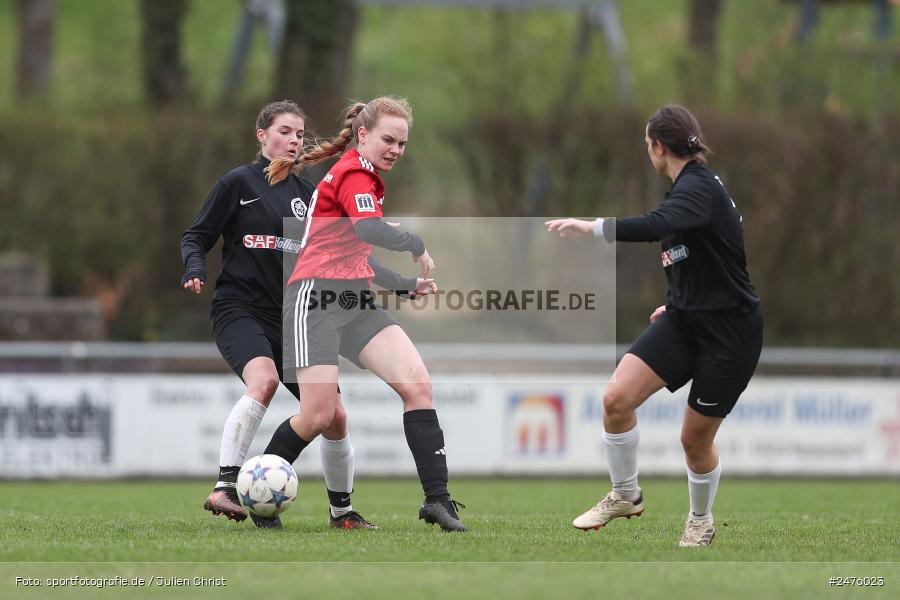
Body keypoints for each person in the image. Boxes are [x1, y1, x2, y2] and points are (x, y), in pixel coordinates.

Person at [181, 100, 436, 530]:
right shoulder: (237, 183)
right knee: (262, 381)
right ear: (261, 135)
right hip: (240, 310)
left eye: (300, 134)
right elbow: (197, 234)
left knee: (333, 416)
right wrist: (193, 267)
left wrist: (402, 285)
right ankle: (226, 486)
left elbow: (348, 260)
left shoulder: (307, 196)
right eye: (284, 131)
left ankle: (342, 513)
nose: (294, 140)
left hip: (294, 314)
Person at [545, 104, 763, 547]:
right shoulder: (685, 192)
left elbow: (658, 225)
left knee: (694, 441)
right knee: (616, 399)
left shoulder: (699, 187)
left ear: (658, 147)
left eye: (649, 146)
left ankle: (700, 521)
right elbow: (692, 258)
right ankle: (625, 494)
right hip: (685, 320)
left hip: (729, 333)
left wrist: (595, 228)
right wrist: (676, 302)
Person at [262, 96, 467, 532]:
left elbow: (356, 256)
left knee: (418, 387)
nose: (395, 149)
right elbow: (367, 230)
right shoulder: (355, 172)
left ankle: (437, 500)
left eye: (402, 143)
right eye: (388, 140)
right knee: (320, 415)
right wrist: (414, 242)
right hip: (315, 300)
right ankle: (257, 490)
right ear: (362, 135)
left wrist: (406, 286)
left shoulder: (366, 177)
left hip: (354, 302)